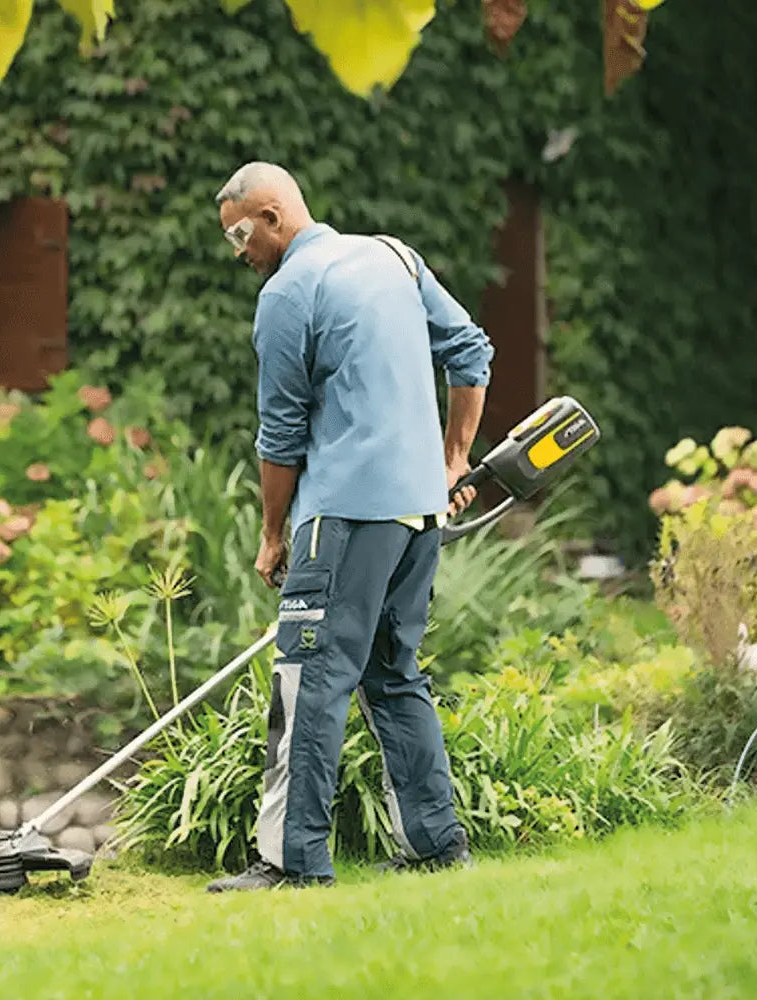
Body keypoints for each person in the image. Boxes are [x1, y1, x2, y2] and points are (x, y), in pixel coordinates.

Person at [205, 162, 495, 893]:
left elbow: (280, 435)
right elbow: (471, 353)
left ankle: (292, 861)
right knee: (393, 675)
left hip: (343, 516)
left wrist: (273, 535)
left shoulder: (286, 294)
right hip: (418, 516)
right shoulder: (396, 256)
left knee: (309, 682)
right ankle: (435, 845)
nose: (239, 251)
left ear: (273, 217)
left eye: (240, 235)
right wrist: (452, 460)